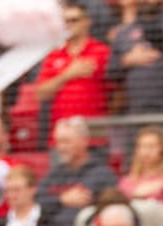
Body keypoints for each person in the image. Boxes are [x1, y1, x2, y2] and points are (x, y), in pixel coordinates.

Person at [35, 2, 110, 143]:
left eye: (74, 20)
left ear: (87, 22)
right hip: (62, 135)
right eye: (65, 21)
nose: (69, 25)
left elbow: (115, 89)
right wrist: (67, 74)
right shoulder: (55, 55)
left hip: (93, 133)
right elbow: (40, 93)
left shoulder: (102, 52)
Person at [39, 117, 119, 226]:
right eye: (58, 142)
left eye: (66, 142)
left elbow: (79, 205)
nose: (61, 148)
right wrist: (62, 200)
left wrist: (53, 202)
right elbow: (36, 200)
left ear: (84, 141)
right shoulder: (55, 173)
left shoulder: (101, 173)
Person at [118, 127, 163, 206]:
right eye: (142, 146)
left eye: (151, 146)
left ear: (162, 149)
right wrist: (138, 192)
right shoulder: (127, 180)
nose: (146, 152)